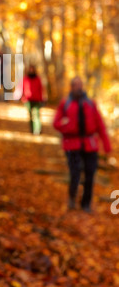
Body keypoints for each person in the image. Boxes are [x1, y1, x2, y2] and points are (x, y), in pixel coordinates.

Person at [53, 76, 111, 212]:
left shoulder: (90, 104)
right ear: (71, 87)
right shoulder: (65, 103)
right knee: (75, 173)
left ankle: (86, 203)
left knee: (90, 174)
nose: (79, 87)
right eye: (76, 85)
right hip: (71, 144)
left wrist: (106, 145)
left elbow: (100, 125)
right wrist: (64, 125)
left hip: (90, 144)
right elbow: (56, 123)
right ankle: (72, 197)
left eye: (80, 84)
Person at [22, 64, 44, 135]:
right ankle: (32, 129)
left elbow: (41, 89)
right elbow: (22, 88)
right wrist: (23, 97)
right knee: (31, 115)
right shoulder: (26, 79)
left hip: (37, 100)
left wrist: (42, 99)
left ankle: (37, 130)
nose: (31, 70)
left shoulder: (38, 79)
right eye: (30, 69)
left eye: (32, 69)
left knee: (36, 115)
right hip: (28, 100)